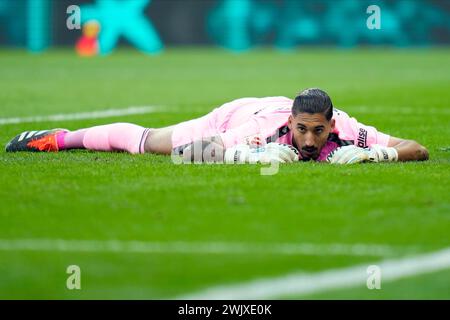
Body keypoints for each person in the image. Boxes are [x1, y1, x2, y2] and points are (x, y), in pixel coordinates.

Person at [5, 88, 429, 164]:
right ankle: (55, 139)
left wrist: (380, 154)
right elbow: (186, 154)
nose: (309, 140)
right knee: (147, 142)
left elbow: (417, 148)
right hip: (237, 115)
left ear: (332, 123)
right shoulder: (264, 130)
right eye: (302, 129)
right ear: (291, 122)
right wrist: (244, 155)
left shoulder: (348, 129)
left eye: (318, 131)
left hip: (263, 113)